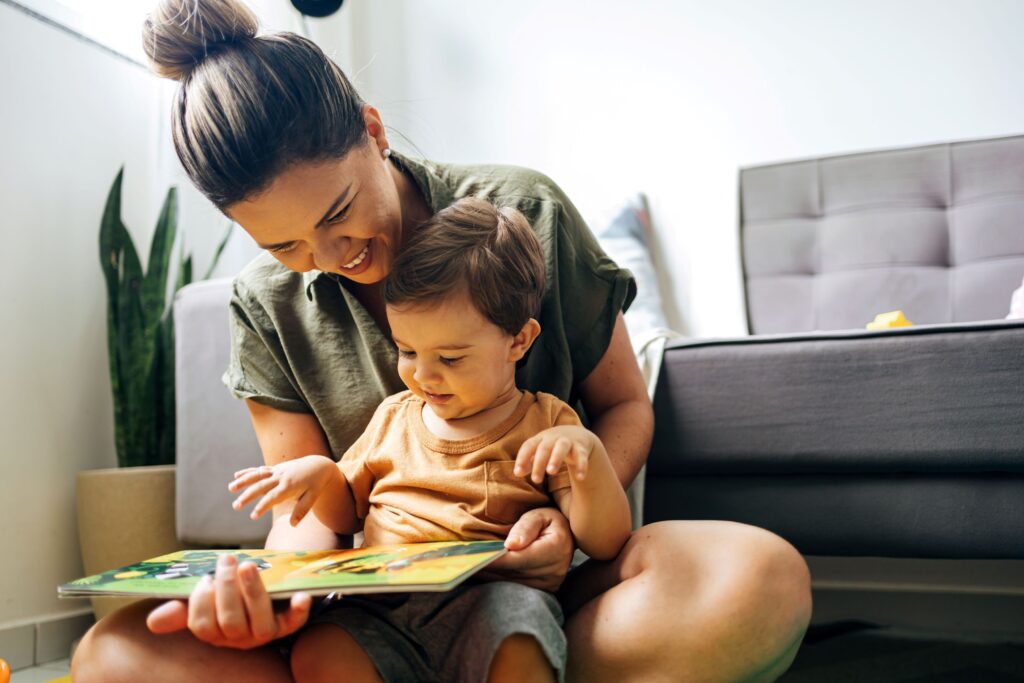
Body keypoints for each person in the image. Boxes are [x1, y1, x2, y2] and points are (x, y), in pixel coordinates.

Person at [72, 0, 812, 681]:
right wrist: (272, 597)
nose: (332, 257)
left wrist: (569, 514)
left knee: (760, 578)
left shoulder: (525, 212)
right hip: (372, 613)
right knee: (117, 652)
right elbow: (306, 517)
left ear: (373, 129)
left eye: (340, 212)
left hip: (538, 588)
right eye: (287, 245)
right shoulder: (265, 304)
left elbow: (625, 406)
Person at [226, 197, 632, 682]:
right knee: (321, 649)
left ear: (519, 341)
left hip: (492, 599)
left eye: (452, 358)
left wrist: (588, 458)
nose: (423, 375)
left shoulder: (547, 423)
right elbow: (348, 513)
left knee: (520, 643)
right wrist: (320, 478)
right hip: (383, 604)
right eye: (407, 350)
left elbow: (605, 541)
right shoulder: (394, 417)